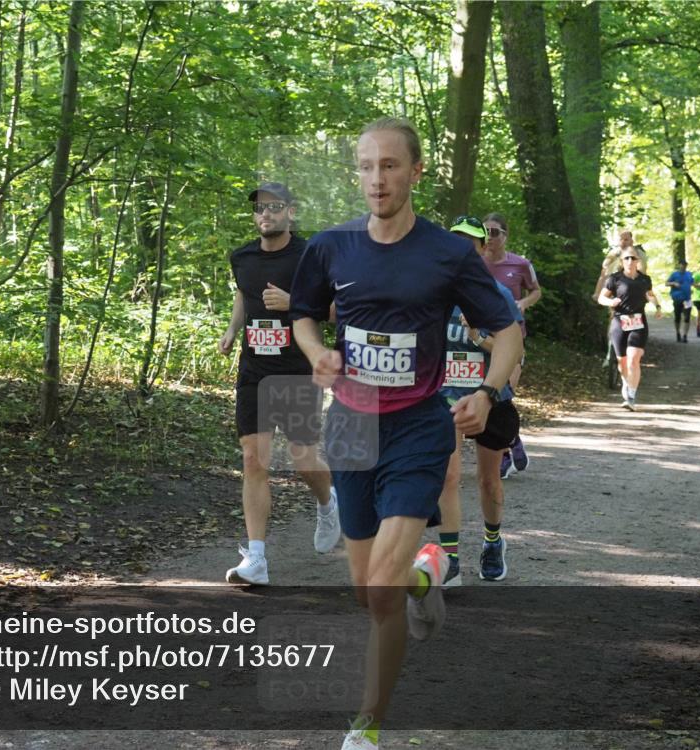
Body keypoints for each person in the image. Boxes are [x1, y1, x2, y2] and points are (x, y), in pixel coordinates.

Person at [289, 118, 522, 750]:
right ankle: (429, 573)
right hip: (351, 427)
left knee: (380, 584)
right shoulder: (333, 247)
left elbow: (506, 330)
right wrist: (317, 353)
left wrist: (486, 392)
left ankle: (365, 726)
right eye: (366, 166)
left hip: (420, 427)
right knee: (371, 594)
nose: (376, 178)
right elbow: (304, 315)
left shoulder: (446, 252)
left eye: (390, 165)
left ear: (416, 172)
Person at [218, 182, 340, 585]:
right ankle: (256, 559)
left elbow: (338, 309)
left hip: (297, 369)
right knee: (254, 460)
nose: (265, 215)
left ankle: (327, 502)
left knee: (304, 458)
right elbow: (244, 295)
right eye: (258, 209)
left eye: (273, 208)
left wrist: (294, 304)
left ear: (291, 211)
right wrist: (233, 330)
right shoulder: (242, 257)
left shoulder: (311, 255)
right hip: (254, 370)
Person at [438, 217, 524, 586]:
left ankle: (492, 541)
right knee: (448, 476)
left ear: (480, 249)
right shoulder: (433, 293)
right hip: (446, 397)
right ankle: (451, 558)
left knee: (488, 481)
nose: (461, 249)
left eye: (469, 242)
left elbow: (514, 353)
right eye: (454, 241)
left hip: (489, 398)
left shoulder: (496, 295)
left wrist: (477, 337)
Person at [481, 212, 540, 480]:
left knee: (503, 395)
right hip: (479, 341)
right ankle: (512, 445)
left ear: (505, 236)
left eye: (495, 232)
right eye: (485, 232)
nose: (490, 238)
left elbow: (536, 291)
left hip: (511, 339)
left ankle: (505, 453)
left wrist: (523, 304)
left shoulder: (521, 264)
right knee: (489, 396)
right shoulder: (473, 264)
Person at [598, 250, 662, 411]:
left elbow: (650, 295)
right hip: (619, 321)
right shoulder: (615, 279)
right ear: (622, 261)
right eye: (626, 258)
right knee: (623, 362)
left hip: (638, 322)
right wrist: (610, 302)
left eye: (633, 258)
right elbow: (601, 297)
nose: (630, 260)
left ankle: (631, 396)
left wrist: (658, 306)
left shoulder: (644, 279)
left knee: (634, 358)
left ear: (637, 261)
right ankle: (626, 383)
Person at [594, 230, 649, 300]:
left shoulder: (639, 253)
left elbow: (642, 271)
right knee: (605, 271)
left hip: (634, 284)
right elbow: (605, 266)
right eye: (621, 239)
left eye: (626, 240)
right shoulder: (615, 252)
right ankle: (598, 293)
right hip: (617, 285)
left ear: (631, 241)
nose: (623, 242)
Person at [665, 260, 694, 343]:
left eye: (685, 265)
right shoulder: (674, 274)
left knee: (687, 317)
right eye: (682, 265)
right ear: (679, 265)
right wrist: (673, 283)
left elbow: (692, 283)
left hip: (687, 299)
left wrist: (695, 287)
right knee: (678, 317)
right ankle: (678, 333)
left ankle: (685, 336)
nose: (683, 267)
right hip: (677, 299)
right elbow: (666, 283)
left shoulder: (689, 274)